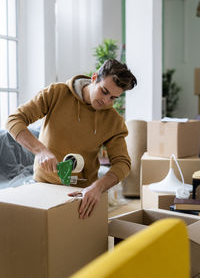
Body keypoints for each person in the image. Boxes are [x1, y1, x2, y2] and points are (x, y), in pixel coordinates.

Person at [6, 59, 137, 219]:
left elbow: (123, 163)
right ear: (94, 77)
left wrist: (97, 187)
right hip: (44, 185)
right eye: (104, 91)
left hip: (80, 193)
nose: (106, 101)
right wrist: (40, 150)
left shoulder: (113, 121)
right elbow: (13, 120)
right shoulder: (57, 93)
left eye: (113, 98)